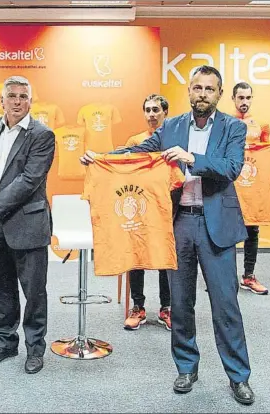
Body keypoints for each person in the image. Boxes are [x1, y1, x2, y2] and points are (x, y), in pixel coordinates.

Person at [80, 65, 255, 405]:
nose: (202, 93)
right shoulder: (171, 126)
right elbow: (138, 152)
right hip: (178, 223)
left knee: (226, 305)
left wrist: (193, 158)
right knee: (180, 303)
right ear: (188, 91)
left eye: (209, 88)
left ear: (219, 94)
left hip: (216, 224)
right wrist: (100, 158)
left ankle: (239, 377)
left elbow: (232, 167)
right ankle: (187, 367)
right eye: (197, 87)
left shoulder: (233, 127)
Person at [0, 76, 55, 374]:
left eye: (23, 96)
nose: (17, 101)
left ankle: (35, 348)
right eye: (12, 96)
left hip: (27, 224)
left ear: (30, 100)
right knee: (1, 288)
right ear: (2, 100)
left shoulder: (42, 134)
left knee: (34, 292)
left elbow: (29, 181)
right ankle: (5, 342)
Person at [121, 94, 172, 331]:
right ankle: (138, 307)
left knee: (165, 256)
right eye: (148, 110)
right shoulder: (135, 141)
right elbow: (123, 169)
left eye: (156, 110)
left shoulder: (173, 139)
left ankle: (167, 308)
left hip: (167, 205)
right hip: (139, 206)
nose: (151, 114)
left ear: (165, 113)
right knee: (136, 254)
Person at [231, 82, 270, 295]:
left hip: (252, 189)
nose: (244, 102)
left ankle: (248, 276)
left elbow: (265, 152)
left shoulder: (261, 124)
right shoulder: (225, 122)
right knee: (226, 233)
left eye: (248, 98)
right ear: (233, 99)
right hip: (231, 187)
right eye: (240, 98)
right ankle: (224, 278)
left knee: (252, 231)